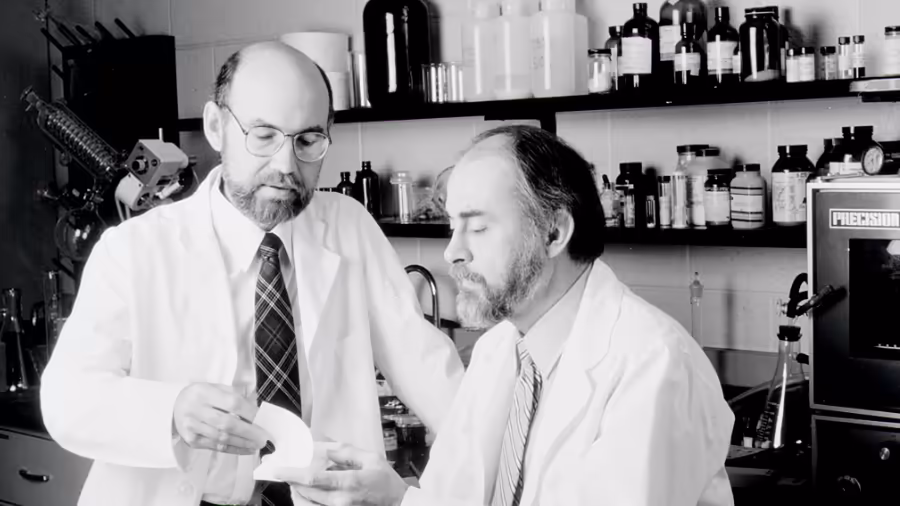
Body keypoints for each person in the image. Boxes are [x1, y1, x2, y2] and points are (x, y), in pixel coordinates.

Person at [39, 41, 464, 506]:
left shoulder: (348, 226)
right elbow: (66, 399)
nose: (285, 166)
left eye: (307, 141)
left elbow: (427, 368)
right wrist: (173, 411)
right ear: (215, 127)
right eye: (263, 136)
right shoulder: (133, 250)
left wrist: (494, 459)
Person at [278, 125, 736, 506]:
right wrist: (391, 498)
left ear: (553, 232)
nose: (453, 252)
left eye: (477, 227)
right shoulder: (500, 349)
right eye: (452, 226)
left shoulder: (653, 365)